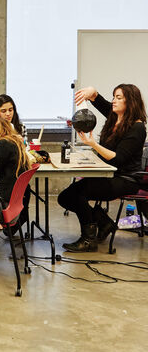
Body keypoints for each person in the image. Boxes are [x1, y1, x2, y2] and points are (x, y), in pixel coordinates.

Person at [58, 84, 147, 252]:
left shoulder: (137, 127)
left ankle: (88, 240)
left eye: (119, 98)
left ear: (131, 102)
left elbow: (119, 158)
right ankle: (103, 223)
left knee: (79, 193)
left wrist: (92, 144)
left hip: (125, 179)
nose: (113, 101)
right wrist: (93, 93)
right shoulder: (116, 117)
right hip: (107, 175)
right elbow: (102, 103)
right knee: (65, 197)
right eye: (114, 96)